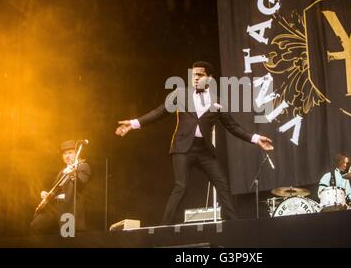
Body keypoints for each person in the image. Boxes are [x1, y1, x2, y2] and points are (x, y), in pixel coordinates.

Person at [115, 61, 274, 224]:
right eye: (193, 75)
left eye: (200, 75)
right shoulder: (180, 93)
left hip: (204, 150)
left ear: (210, 79)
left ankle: (234, 225)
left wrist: (255, 138)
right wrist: (134, 123)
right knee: (181, 186)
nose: (196, 78)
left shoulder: (217, 101)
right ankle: (164, 228)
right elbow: (160, 112)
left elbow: (233, 127)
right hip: (183, 148)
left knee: (222, 184)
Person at [30, 140, 91, 235]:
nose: (67, 156)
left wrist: (73, 175)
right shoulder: (62, 171)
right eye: (65, 154)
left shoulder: (83, 166)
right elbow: (56, 189)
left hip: (68, 207)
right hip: (54, 206)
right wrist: (47, 195)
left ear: (76, 154)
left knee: (67, 237)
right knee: (36, 225)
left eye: (70, 153)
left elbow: (81, 184)